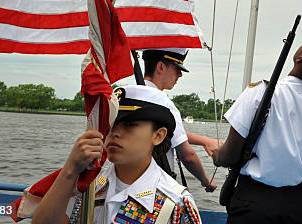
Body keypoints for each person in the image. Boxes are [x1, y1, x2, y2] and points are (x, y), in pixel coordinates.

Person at [212, 27, 302, 224]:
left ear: (300, 54)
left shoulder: (260, 93)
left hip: (255, 203)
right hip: (298, 206)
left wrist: (217, 156)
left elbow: (230, 156)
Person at [31, 85, 202, 224]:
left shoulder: (176, 203)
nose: (114, 133)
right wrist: (70, 170)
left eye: (129, 125)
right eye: (111, 124)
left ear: (158, 136)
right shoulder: (87, 185)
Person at [142, 48, 217, 192]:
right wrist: (206, 181)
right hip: (155, 189)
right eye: (176, 68)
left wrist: (204, 141)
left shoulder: (126, 95)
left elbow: (166, 132)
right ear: (161, 67)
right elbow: (187, 155)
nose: (180, 74)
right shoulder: (163, 103)